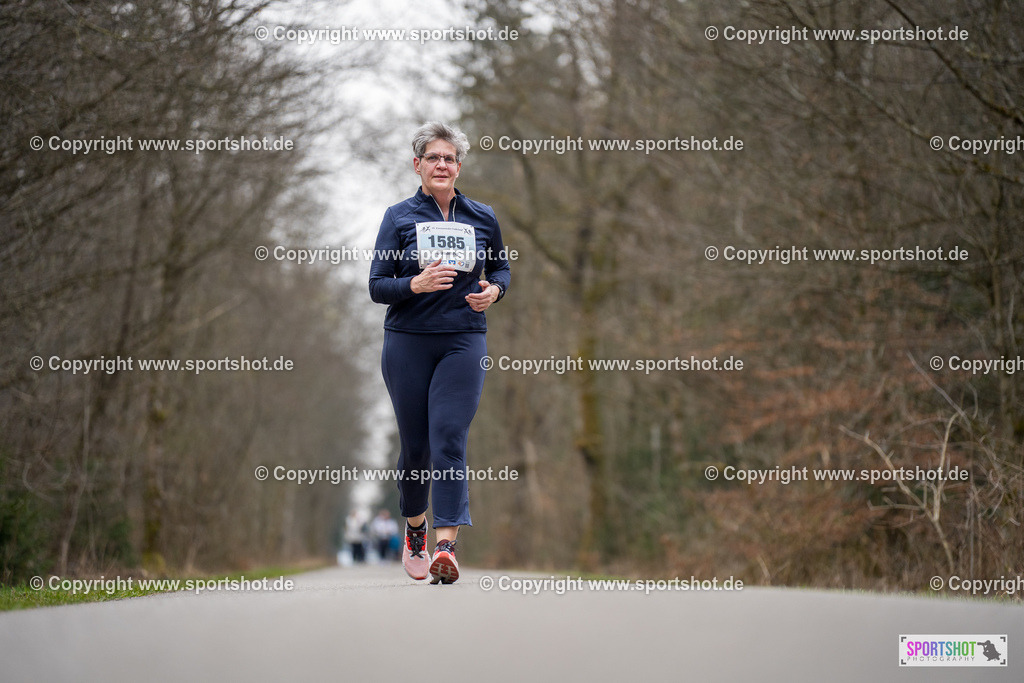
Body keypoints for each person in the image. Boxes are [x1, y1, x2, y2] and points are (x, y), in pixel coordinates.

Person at [369, 122, 511, 584]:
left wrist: (495, 291)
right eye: (433, 157)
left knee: (449, 437)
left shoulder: (483, 216)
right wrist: (414, 283)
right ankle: (415, 529)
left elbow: (502, 268)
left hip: (463, 339)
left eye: (450, 158)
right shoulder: (398, 217)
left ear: (459, 166)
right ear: (418, 165)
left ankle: (445, 547)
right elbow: (376, 286)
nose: (442, 165)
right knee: (417, 448)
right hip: (407, 341)